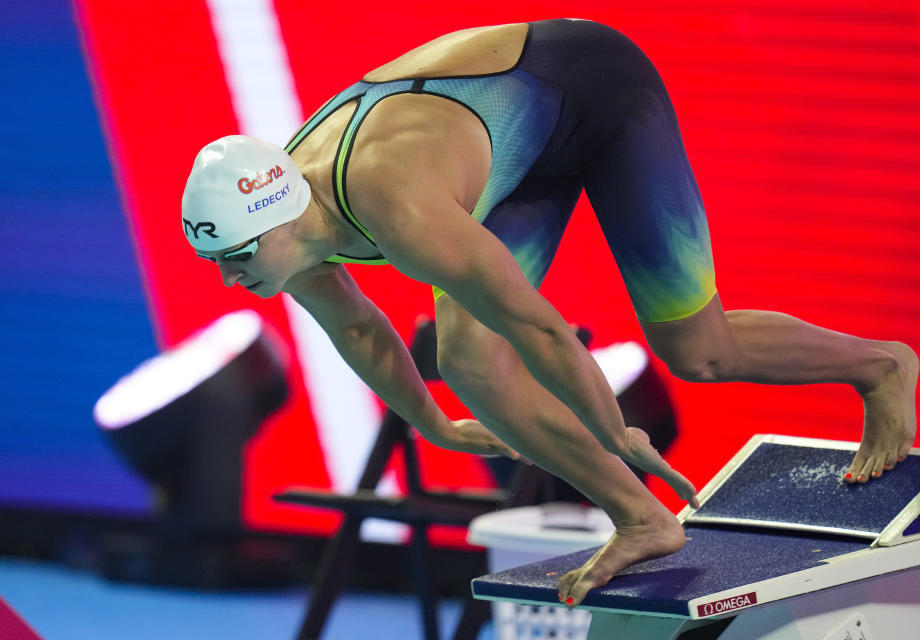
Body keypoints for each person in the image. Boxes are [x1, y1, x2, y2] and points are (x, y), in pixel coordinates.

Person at [181, 19, 918, 608]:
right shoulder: (287, 238)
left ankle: (881, 365)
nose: (226, 278)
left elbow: (536, 325)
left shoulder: (395, 207)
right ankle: (642, 519)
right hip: (513, 145)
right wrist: (435, 425)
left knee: (700, 353)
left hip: (594, 90)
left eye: (235, 258)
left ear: (279, 223)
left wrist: (613, 427)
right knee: (467, 361)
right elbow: (357, 327)